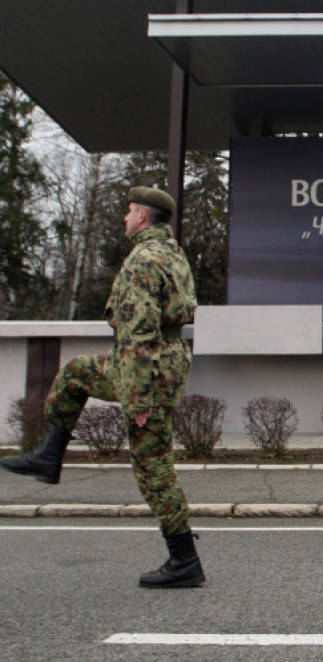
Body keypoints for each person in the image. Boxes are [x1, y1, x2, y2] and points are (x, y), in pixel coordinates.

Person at [1, 187, 204, 589]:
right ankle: (49, 455)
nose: (125, 219)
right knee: (76, 373)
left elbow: (139, 331)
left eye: (129, 212)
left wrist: (139, 396)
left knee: (153, 468)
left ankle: (185, 561)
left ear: (143, 217)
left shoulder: (142, 260)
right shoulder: (172, 254)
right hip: (162, 362)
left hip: (145, 368)